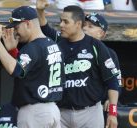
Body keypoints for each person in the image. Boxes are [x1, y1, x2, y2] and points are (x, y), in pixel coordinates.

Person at [36, 0, 119, 128]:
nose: (61, 25)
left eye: (66, 22)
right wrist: (40, 11)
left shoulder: (97, 46)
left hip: (90, 113)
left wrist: (113, 113)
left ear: (78, 24)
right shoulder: (58, 42)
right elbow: (45, 28)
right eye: (61, 21)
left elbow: (113, 81)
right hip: (62, 112)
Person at [0, 6, 64, 128]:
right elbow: (31, 71)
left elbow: (16, 71)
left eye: (17, 27)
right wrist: (13, 51)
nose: (15, 32)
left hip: (35, 113)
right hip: (52, 110)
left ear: (27, 24)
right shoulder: (51, 43)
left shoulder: (32, 47)